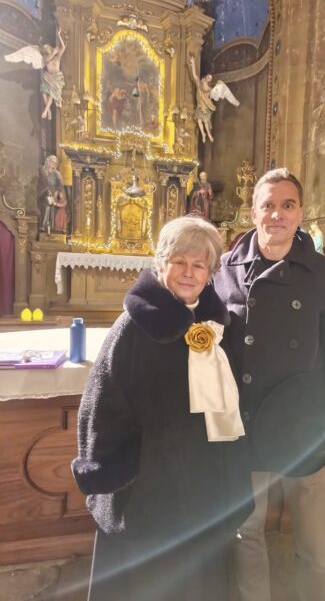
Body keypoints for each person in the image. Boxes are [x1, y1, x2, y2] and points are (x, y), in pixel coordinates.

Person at [72, 216, 253, 601]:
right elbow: (100, 404)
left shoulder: (219, 327)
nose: (189, 272)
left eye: (199, 264)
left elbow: (231, 404)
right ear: (161, 264)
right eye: (179, 262)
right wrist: (124, 467)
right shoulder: (132, 328)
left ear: (210, 273)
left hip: (204, 491)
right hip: (149, 495)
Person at [214, 168, 325, 601]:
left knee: (314, 545)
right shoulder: (224, 270)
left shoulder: (322, 274)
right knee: (246, 535)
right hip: (246, 424)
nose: (277, 214)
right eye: (268, 205)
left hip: (304, 424)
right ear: (253, 212)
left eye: (287, 205)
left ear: (300, 214)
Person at [189, 55, 216, 143]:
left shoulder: (209, 89)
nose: (208, 78)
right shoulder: (199, 84)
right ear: (205, 77)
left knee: (205, 121)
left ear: (209, 80)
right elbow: (194, 75)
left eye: (210, 78)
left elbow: (210, 96)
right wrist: (193, 63)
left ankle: (208, 134)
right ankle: (203, 134)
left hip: (204, 106)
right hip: (200, 105)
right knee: (199, 120)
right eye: (208, 76)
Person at [38, 155, 64, 234]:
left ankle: (52, 228)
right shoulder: (42, 170)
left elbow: (60, 184)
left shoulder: (57, 174)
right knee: (47, 206)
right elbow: (41, 183)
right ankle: (42, 226)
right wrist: (47, 190)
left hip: (54, 194)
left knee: (53, 208)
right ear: (48, 161)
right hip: (43, 193)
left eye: (55, 163)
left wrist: (58, 191)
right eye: (52, 161)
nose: (53, 164)